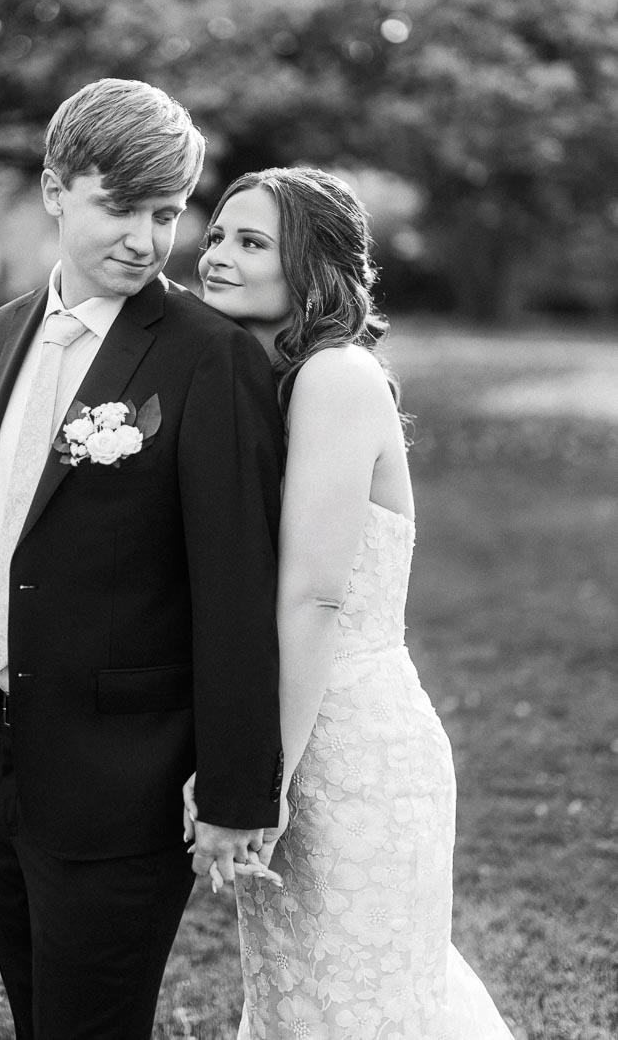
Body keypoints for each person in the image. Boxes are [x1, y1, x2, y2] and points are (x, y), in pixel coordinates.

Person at [0, 79, 286, 1040]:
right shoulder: (5, 330)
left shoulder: (213, 360)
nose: (145, 238)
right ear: (54, 190)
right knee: (36, 1014)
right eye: (119, 207)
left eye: (166, 213)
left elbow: (238, 587)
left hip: (126, 773)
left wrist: (238, 790)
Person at [189, 166, 516, 1038]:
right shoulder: (268, 381)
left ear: (313, 268)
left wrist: (259, 782)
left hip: (351, 758)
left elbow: (314, 598)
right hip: (300, 731)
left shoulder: (336, 377)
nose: (218, 254)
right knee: (305, 1004)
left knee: (364, 1006)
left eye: (252, 242)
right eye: (218, 234)